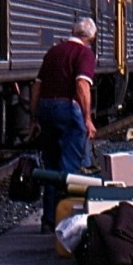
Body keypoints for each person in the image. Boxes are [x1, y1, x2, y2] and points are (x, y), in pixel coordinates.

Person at [28, 17, 98, 232]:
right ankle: (65, 221)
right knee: (69, 168)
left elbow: (37, 88)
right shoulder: (84, 54)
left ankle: (48, 221)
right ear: (90, 38)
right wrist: (87, 118)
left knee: (51, 167)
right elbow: (81, 86)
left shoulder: (53, 52)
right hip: (67, 109)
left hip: (46, 110)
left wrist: (33, 118)